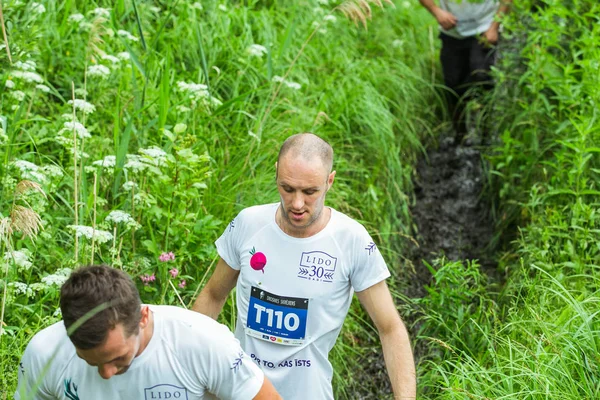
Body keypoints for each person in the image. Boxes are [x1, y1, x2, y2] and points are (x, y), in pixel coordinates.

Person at [193, 133, 416, 399]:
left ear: (329, 181)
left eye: (310, 192)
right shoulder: (247, 225)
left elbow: (390, 328)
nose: (297, 204)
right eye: (287, 189)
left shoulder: (351, 241)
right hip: (241, 391)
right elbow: (212, 295)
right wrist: (190, 375)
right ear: (276, 174)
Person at [15, 265, 281, 400]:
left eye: (117, 358)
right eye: (90, 362)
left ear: (143, 317)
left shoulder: (203, 342)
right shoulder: (46, 353)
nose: (106, 374)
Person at [418, 0, 512, 140]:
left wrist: (494, 27)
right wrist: (437, 11)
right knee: (453, 85)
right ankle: (460, 136)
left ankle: (487, 133)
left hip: (484, 30)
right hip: (452, 32)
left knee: (483, 78)